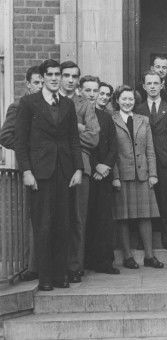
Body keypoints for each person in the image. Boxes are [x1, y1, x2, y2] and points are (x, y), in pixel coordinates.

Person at [15, 59, 83, 291]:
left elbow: (74, 140)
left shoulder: (67, 105)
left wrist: (78, 169)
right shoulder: (28, 103)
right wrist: (26, 171)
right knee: (43, 225)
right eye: (51, 74)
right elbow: (20, 141)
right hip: (39, 174)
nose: (55, 78)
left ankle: (60, 275)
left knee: (63, 224)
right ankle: (45, 278)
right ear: (43, 77)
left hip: (64, 173)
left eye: (58, 74)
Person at [111, 85, 164, 270]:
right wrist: (115, 176)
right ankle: (127, 256)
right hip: (122, 175)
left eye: (131, 99)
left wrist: (153, 174)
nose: (127, 102)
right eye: (124, 99)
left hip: (143, 174)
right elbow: (112, 152)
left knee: (145, 216)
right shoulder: (112, 120)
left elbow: (150, 149)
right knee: (123, 217)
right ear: (117, 100)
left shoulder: (143, 120)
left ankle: (149, 256)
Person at [0, 65, 43, 282]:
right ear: (28, 84)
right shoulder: (18, 106)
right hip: (29, 170)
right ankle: (32, 266)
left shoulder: (49, 106)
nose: (40, 86)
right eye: (37, 82)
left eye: (43, 82)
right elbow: (6, 136)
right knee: (31, 218)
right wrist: (28, 149)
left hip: (48, 169)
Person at [59, 60, 100, 283]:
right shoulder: (50, 101)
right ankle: (56, 265)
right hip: (56, 167)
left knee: (77, 218)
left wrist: (71, 131)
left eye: (75, 76)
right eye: (66, 75)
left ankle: (75, 266)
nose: (70, 80)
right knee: (56, 218)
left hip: (80, 166)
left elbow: (94, 137)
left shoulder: (84, 104)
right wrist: (77, 128)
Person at [136, 71, 167, 251]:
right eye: (149, 83)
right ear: (144, 86)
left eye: (156, 83)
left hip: (166, 162)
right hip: (144, 162)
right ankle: (142, 241)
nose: (153, 86)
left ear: (162, 85)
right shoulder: (138, 109)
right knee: (144, 201)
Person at [84, 81, 119, 274]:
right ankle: (86, 261)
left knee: (104, 219)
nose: (104, 97)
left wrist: (105, 166)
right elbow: (86, 144)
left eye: (107, 95)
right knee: (87, 217)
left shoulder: (107, 118)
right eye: (101, 93)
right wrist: (96, 164)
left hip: (104, 175)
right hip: (89, 172)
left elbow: (114, 145)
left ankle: (104, 262)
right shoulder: (83, 114)